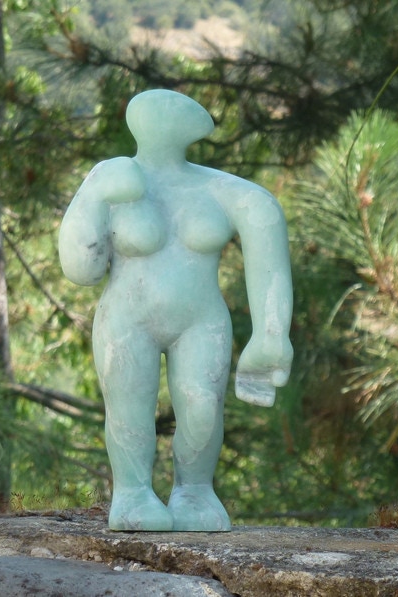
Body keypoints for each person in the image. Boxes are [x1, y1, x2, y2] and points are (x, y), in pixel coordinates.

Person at [58, 89, 293, 531]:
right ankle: (132, 493)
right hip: (127, 319)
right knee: (128, 409)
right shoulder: (115, 180)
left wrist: (272, 333)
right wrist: (93, 196)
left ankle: (195, 492)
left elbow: (265, 223)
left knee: (203, 408)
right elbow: (81, 270)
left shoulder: (221, 190)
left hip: (200, 321)